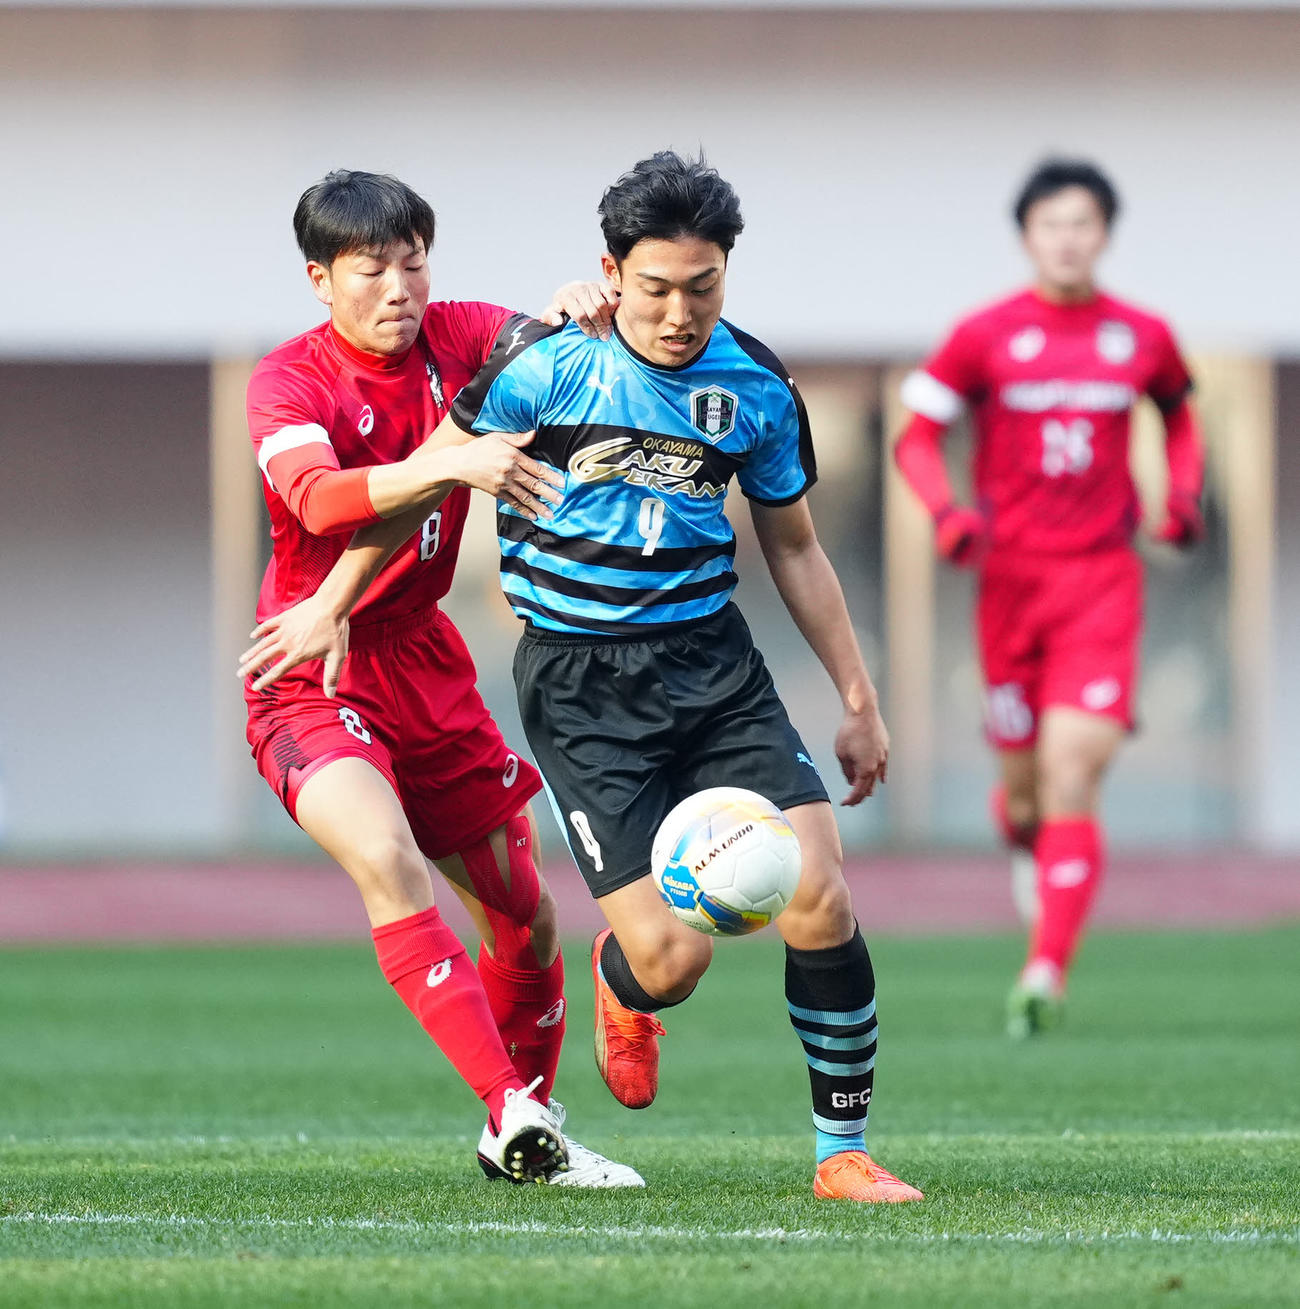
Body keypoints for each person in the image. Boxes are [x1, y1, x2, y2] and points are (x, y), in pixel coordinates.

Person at [244, 152, 922, 1203]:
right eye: (654, 287)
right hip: (579, 684)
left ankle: (843, 1150)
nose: (679, 311)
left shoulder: (754, 384)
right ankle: (625, 983)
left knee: (819, 896)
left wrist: (858, 698)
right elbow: (420, 484)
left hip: (715, 665)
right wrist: (330, 603)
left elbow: (792, 546)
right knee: (672, 961)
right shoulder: (543, 367)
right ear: (612, 271)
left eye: (702, 287)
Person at [238, 168, 640, 1186]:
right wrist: (448, 460)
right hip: (312, 666)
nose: (398, 288)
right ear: (320, 279)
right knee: (388, 861)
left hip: (426, 662)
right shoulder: (286, 382)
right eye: (371, 269)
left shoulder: (460, 335)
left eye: (413, 262)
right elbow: (321, 500)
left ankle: (533, 1132)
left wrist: (578, 308)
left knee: (526, 914)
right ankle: (505, 1106)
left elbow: (547, 350)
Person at [892, 157, 1204, 1037]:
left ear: (1105, 233)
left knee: (1074, 772)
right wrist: (948, 512)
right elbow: (915, 437)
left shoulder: (1142, 335)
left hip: (1102, 581)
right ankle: (1028, 835)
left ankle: (1043, 971)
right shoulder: (983, 334)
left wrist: (1181, 497)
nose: (1068, 239)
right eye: (1051, 224)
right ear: (1027, 236)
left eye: (1084, 224)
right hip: (1010, 586)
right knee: (1026, 796)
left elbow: (1181, 416)